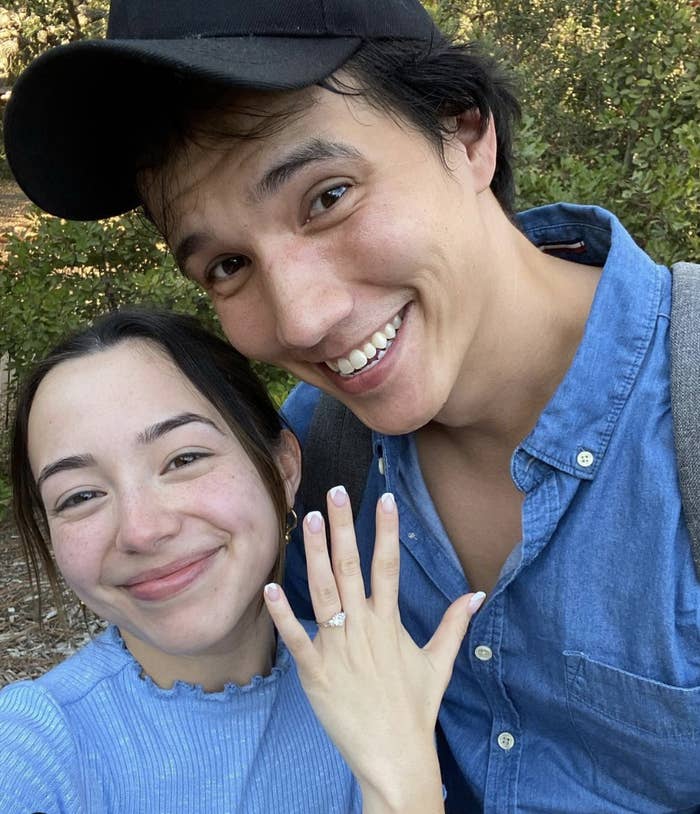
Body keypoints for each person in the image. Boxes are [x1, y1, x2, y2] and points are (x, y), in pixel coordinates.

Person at [3, 1, 699, 811]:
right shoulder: (313, 466)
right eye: (229, 263)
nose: (300, 318)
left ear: (466, 133)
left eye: (327, 196)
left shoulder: (681, 419)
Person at [0, 308, 484, 814]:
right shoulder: (35, 750)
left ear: (282, 468)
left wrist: (401, 771)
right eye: (78, 496)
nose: (141, 531)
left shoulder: (376, 675)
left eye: (183, 459)